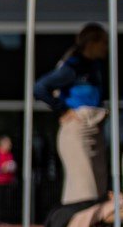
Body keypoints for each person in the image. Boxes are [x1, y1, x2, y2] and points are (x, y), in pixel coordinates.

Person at [34, 22, 110, 206]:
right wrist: (64, 110)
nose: (107, 47)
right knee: (84, 189)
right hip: (79, 128)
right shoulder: (73, 67)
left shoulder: (96, 67)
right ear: (92, 43)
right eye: (104, 42)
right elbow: (40, 88)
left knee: (99, 187)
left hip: (95, 127)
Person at [0, 135, 18, 224]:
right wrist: (1, 169)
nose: (10, 145)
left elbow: (12, 167)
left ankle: (6, 219)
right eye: (8, 143)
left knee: (7, 202)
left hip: (8, 181)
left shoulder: (10, 155)